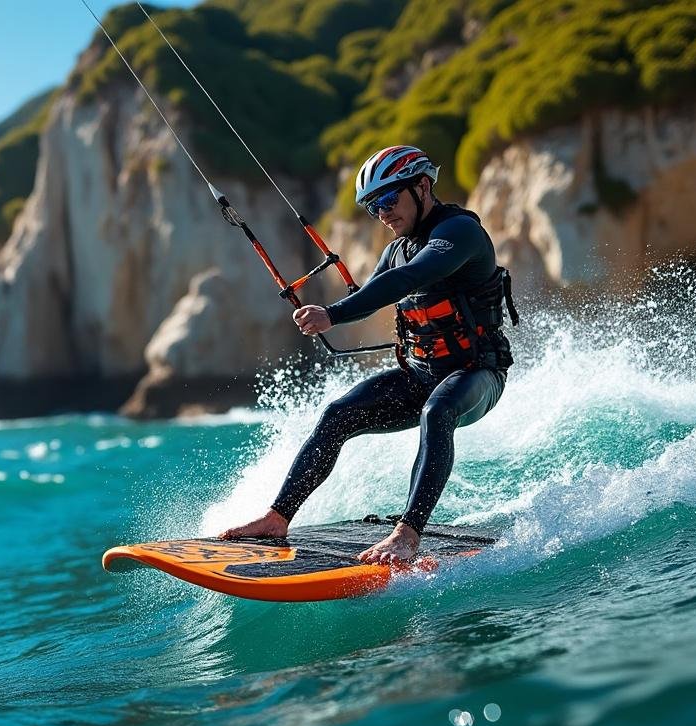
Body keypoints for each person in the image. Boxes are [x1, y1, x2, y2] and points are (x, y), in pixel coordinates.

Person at [219, 145, 518, 566]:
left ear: (422, 186)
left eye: (388, 200)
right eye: (373, 206)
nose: (382, 213)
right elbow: (373, 293)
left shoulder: (459, 232)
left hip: (477, 373)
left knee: (438, 412)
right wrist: (323, 309)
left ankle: (407, 534)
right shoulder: (395, 250)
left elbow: (409, 279)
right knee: (337, 414)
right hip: (421, 374)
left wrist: (332, 314)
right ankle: (276, 517)